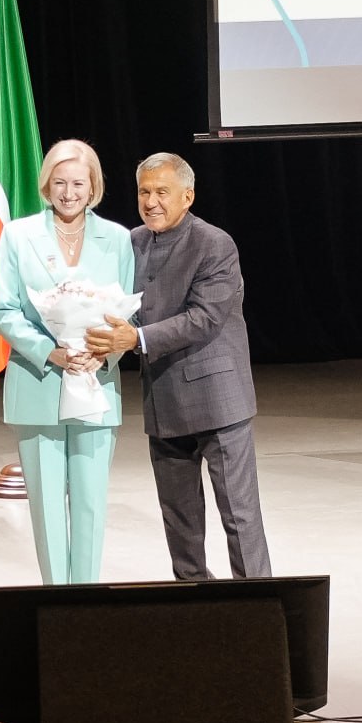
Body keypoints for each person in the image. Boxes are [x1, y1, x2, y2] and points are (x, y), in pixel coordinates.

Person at [86, 152, 272, 580]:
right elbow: (117, 305)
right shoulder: (132, 243)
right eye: (144, 192)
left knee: (239, 516)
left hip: (218, 402)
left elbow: (204, 318)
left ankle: (258, 601)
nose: (151, 202)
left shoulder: (214, 244)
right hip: (163, 401)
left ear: (187, 196)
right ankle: (193, 599)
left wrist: (136, 339)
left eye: (162, 192)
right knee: (179, 519)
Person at [0, 139, 134, 584]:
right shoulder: (18, 235)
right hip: (39, 383)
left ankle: (85, 602)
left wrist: (103, 351)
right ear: (46, 185)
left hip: (95, 384)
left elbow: (127, 313)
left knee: (91, 503)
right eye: (59, 183)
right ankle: (54, 600)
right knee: (47, 507)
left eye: (78, 184)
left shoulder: (118, 238)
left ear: (94, 188)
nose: (68, 193)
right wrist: (49, 351)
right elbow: (4, 310)